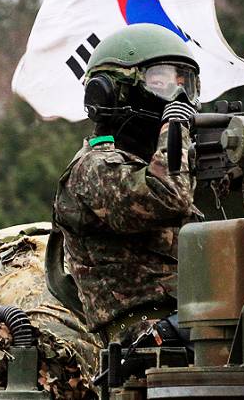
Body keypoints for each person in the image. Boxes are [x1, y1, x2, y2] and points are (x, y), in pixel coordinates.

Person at [51, 23, 202, 345]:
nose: (179, 98)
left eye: (184, 85)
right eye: (160, 83)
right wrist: (175, 128)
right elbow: (168, 198)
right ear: (109, 90)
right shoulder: (92, 168)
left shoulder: (166, 163)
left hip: (193, 318)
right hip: (141, 336)